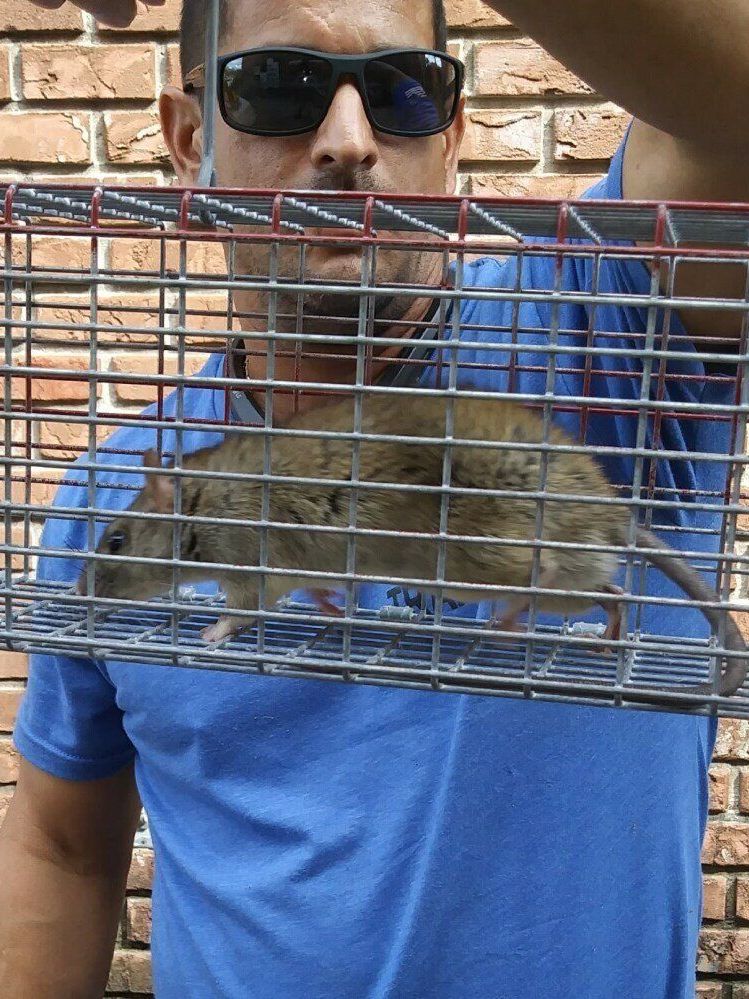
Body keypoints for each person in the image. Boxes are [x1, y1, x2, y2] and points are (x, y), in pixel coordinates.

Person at [1, 0, 747, 996]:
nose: (349, 143)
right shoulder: (112, 495)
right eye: (278, 90)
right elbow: (61, 843)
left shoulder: (609, 339)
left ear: (453, 137)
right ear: (188, 141)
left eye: (403, 93)